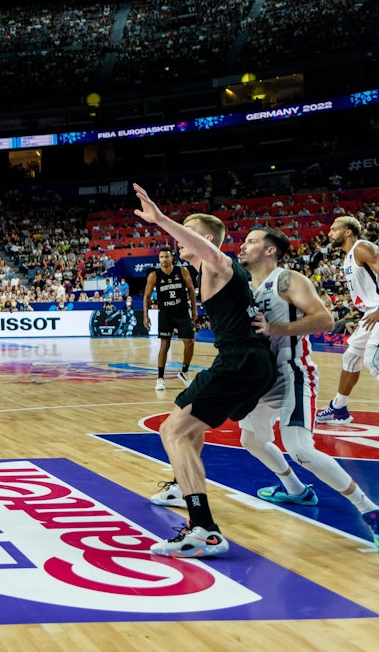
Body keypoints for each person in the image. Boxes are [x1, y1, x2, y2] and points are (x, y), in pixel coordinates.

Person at [154, 227, 379, 549]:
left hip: (292, 372)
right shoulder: (245, 282)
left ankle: (369, 509)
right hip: (260, 375)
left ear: (270, 250)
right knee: (251, 439)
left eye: (251, 242)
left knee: (299, 448)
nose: (243, 246)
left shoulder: (287, 280)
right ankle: (295, 490)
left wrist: (276, 328)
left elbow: (325, 320)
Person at [134, 183, 277, 558]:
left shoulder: (219, 264)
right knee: (188, 424)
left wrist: (161, 218)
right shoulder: (213, 272)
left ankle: (204, 530)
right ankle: (184, 487)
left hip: (240, 362)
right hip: (245, 361)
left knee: (172, 431)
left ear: (208, 239)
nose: (178, 237)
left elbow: (212, 254)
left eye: (187, 230)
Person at [315, 216, 379, 425]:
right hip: (370, 312)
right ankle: (338, 409)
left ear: (348, 232)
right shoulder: (348, 258)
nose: (330, 233)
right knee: (350, 357)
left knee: (372, 359)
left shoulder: (362, 248)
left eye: (335, 229)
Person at [143, 245, 198, 391]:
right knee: (164, 345)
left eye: (166, 256)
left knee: (190, 342)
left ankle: (184, 372)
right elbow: (147, 296)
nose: (164, 259)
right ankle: (160, 378)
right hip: (165, 314)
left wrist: (194, 309)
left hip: (182, 312)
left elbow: (191, 289)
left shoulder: (182, 271)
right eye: (161, 257)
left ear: (172, 257)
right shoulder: (154, 275)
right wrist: (145, 316)